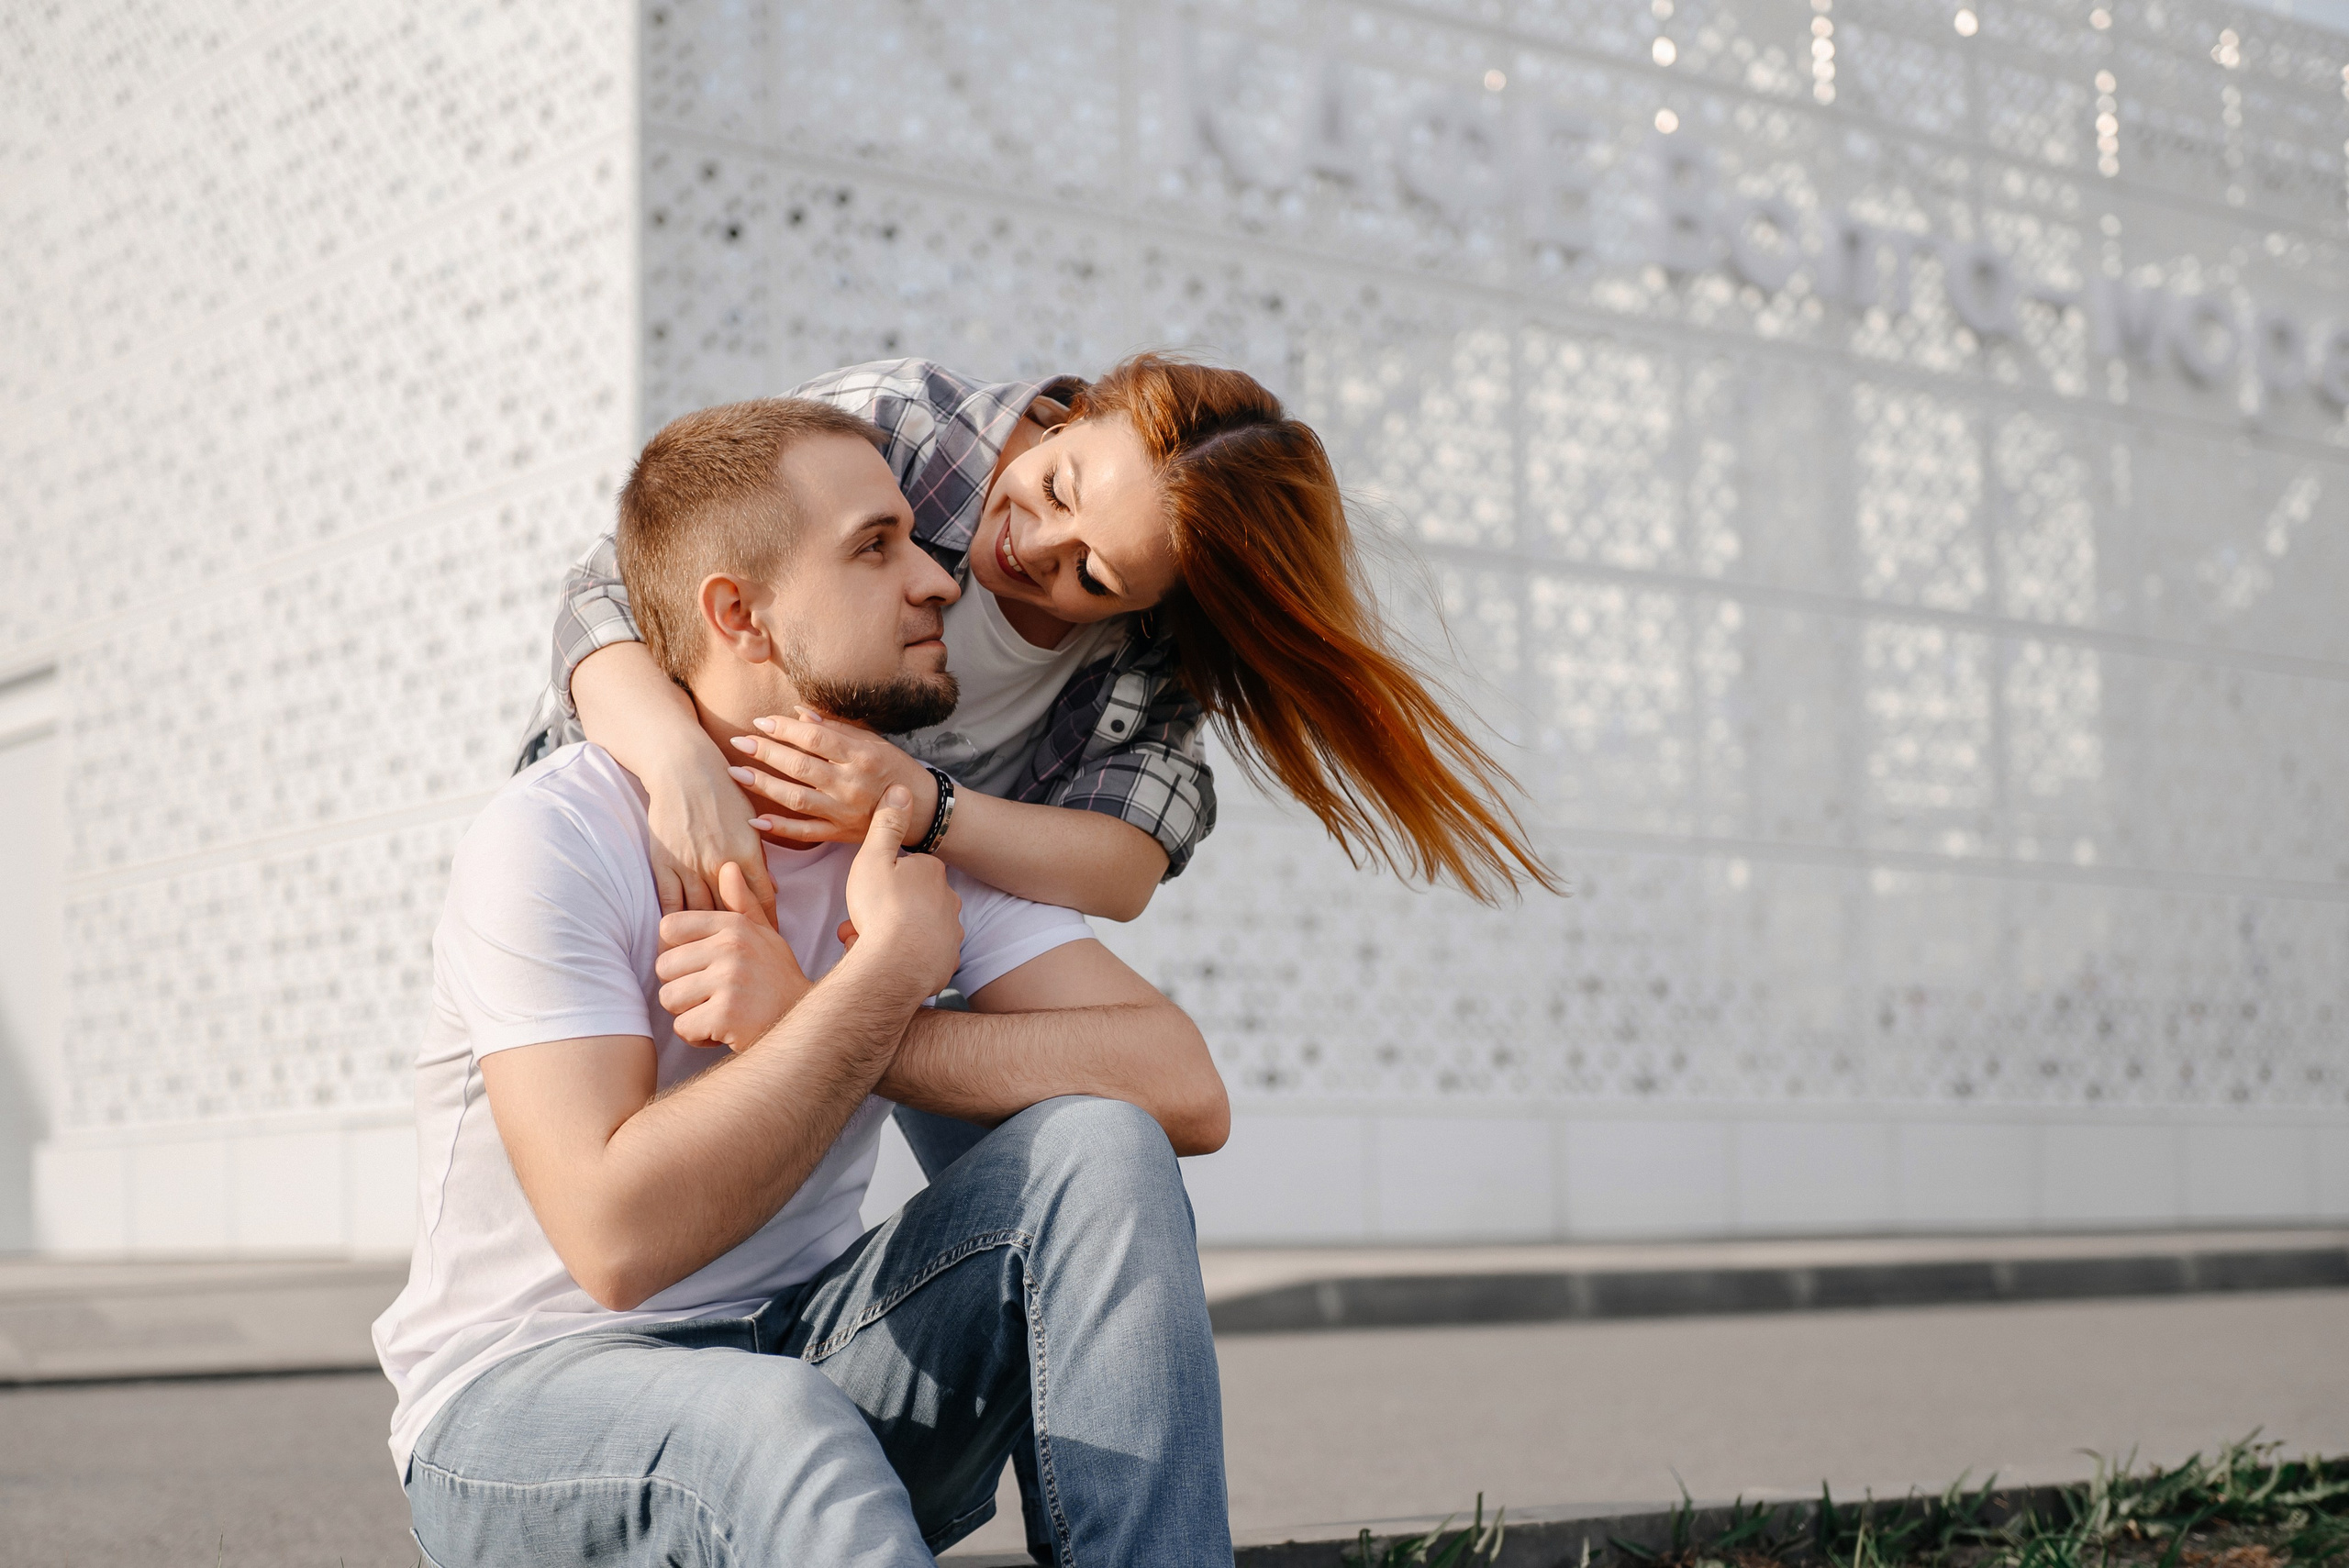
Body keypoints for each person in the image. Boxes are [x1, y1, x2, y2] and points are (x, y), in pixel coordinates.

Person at [373, 396, 1234, 1567]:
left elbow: (1184, 1086)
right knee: (773, 1417)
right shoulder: (556, 836)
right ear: (741, 612)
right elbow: (615, 1240)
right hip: (526, 1409)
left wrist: (826, 1007)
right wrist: (881, 978)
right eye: (876, 547)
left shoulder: (906, 840)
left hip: (805, 1356)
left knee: (1101, 1147)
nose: (941, 577)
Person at [518, 356, 1559, 932]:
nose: (1030, 547)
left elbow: (1121, 867)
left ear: (1149, 609)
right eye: (1058, 488)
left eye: (1094, 576)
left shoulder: (1144, 667)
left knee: (1101, 1129)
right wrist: (678, 761)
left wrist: (920, 804)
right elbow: (615, 577)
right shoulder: (902, 430)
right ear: (1073, 412)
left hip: (903, 903)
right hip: (675, 841)